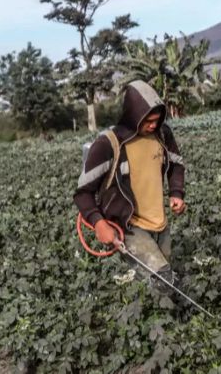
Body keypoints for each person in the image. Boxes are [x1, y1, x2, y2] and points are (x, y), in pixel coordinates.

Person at [74, 80, 186, 292]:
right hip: (128, 226)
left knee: (157, 283)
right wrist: (99, 223)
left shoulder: (163, 135)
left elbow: (176, 164)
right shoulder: (109, 143)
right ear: (133, 115)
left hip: (159, 223)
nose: (153, 125)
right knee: (163, 281)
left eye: (157, 120)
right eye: (148, 121)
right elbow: (83, 194)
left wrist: (176, 193)